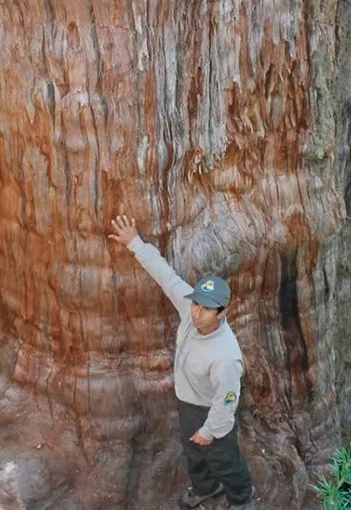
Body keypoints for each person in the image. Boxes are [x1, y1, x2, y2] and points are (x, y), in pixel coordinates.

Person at [109, 211, 257, 509]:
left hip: (213, 413)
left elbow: (226, 402)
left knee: (224, 459)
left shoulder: (226, 356)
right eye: (197, 304)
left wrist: (209, 430)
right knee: (193, 453)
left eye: (206, 309)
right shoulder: (190, 311)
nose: (197, 312)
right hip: (189, 404)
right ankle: (206, 489)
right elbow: (165, 274)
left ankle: (243, 499)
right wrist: (135, 242)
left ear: (223, 312)